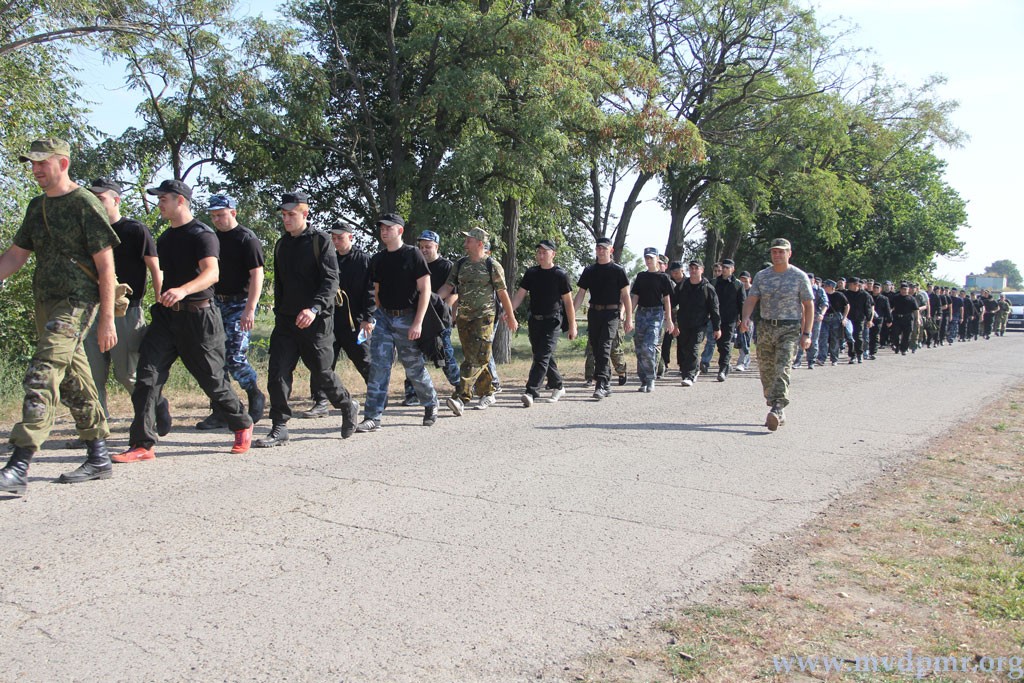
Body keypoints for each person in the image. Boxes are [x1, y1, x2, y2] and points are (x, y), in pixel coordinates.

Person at [0, 139, 120, 495]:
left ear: (63, 163)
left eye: (42, 163)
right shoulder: (37, 206)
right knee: (72, 379)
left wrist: (107, 318)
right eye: (32, 164)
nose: (35, 169)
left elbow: (106, 266)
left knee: (43, 372)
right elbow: (15, 256)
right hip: (46, 302)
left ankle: (19, 463)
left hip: (77, 302)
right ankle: (98, 454)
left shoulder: (84, 203)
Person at [113, 179, 253, 463]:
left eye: (163, 199)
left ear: (180, 200)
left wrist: (182, 290)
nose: (159, 204)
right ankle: (142, 444)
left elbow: (212, 274)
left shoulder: (203, 235)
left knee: (213, 381)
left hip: (199, 317)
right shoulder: (165, 238)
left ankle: (241, 423)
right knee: (147, 377)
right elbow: (161, 274)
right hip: (167, 318)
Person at [253, 191, 359, 447]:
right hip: (286, 322)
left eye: (291, 214)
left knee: (322, 373)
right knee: (277, 373)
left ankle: (347, 404)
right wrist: (280, 313)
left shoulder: (320, 241)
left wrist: (313, 309)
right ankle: (279, 426)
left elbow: (331, 281)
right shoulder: (281, 244)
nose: (286, 219)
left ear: (305, 213)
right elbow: (280, 285)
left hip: (316, 321)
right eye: (283, 215)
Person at [81, 178, 162, 422]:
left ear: (116, 200)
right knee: (92, 375)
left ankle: (154, 412)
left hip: (125, 312)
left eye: (100, 198)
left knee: (128, 374)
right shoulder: (87, 231)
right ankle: (98, 428)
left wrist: (161, 306)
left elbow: (155, 269)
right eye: (92, 198)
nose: (95, 203)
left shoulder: (135, 230)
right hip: (92, 310)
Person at [356, 213, 438, 432]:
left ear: (400, 230)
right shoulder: (377, 259)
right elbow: (375, 291)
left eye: (388, 228)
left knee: (413, 368)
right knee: (378, 367)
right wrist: (373, 316)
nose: (384, 231)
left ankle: (430, 403)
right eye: (382, 228)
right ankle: (372, 417)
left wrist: (417, 322)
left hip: (407, 317)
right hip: (384, 318)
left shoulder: (413, 254)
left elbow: (425, 290)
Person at [195, 194, 267, 431]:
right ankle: (221, 410)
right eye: (213, 216)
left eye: (221, 215)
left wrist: (250, 309)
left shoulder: (247, 239)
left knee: (235, 356)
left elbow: (257, 275)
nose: (216, 219)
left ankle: (254, 393)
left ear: (233, 213)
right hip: (216, 303)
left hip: (240, 303)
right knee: (214, 358)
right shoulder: (211, 239)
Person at [437, 227, 518, 415]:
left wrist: (511, 317)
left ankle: (461, 398)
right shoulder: (460, 264)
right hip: (464, 318)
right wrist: (432, 300)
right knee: (475, 358)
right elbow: (448, 287)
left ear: (480, 243)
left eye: (469, 240)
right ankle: (488, 392)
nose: (465, 243)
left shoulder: (492, 265)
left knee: (477, 357)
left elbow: (502, 294)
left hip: (485, 317)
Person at [739, 238, 813, 432]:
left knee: (782, 367)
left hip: (789, 328)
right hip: (765, 328)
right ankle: (774, 405)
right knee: (766, 371)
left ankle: (778, 407)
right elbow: (752, 299)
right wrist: (745, 318)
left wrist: (806, 333)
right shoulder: (762, 276)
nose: (777, 255)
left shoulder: (799, 276)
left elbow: (808, 305)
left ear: (789, 253)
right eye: (774, 251)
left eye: (781, 251)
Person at [305, 222, 375, 417]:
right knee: (322, 362)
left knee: (364, 359)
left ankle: (377, 396)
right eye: (333, 238)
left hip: (356, 321)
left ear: (350, 237)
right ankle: (320, 402)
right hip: (330, 320)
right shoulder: (329, 258)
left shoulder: (363, 260)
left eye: (340, 237)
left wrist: (368, 317)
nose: (336, 241)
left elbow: (371, 291)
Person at [509, 240, 578, 406]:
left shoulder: (560, 275)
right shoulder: (531, 273)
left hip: (553, 321)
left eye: (544, 252)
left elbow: (568, 302)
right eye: (539, 252)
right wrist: (509, 311)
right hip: (535, 320)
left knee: (542, 356)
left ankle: (531, 392)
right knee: (543, 355)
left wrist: (573, 325)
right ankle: (558, 385)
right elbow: (520, 295)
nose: (541, 255)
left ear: (553, 254)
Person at [400, 230, 459, 406]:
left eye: (428, 246)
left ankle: (460, 388)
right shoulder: (415, 265)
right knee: (413, 355)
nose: (424, 250)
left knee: (444, 355)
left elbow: (454, 294)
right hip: (417, 317)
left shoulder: (446, 266)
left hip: (439, 319)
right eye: (421, 247)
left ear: (436, 247)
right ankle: (412, 393)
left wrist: (444, 312)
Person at [573, 237, 633, 399]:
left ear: (611, 250)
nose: (601, 251)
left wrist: (628, 317)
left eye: (604, 248)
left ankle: (600, 384)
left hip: (612, 314)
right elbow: (581, 294)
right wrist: (571, 314)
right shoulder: (589, 270)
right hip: (594, 313)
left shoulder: (618, 270)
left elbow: (626, 295)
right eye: (598, 248)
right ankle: (606, 383)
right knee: (596, 348)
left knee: (605, 346)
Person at [629, 248, 675, 392]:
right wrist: (629, 316)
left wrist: (669, 319)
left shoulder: (663, 278)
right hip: (641, 313)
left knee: (648, 347)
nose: (648, 260)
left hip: (656, 313)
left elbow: (667, 300)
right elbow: (635, 297)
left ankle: (650, 378)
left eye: (651, 258)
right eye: (647, 258)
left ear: (657, 259)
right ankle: (643, 380)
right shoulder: (641, 276)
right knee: (639, 347)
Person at [673, 260, 720, 387]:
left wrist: (717, 328)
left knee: (693, 347)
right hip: (683, 323)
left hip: (700, 324)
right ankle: (691, 371)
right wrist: (672, 322)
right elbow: (672, 302)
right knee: (684, 348)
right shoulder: (682, 286)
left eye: (696, 268)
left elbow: (714, 309)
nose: (693, 271)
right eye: (691, 268)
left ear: (702, 270)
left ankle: (689, 375)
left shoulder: (708, 288)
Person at [711, 258, 746, 380]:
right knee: (720, 344)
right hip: (716, 318)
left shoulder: (738, 284)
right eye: (723, 267)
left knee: (726, 343)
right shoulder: (714, 282)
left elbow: (742, 303)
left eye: (727, 268)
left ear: (732, 269)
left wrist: (742, 318)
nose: (725, 270)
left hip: (730, 318)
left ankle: (722, 369)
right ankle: (726, 364)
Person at [658, 261, 685, 377]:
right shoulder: (668, 281)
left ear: (682, 270)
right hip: (669, 316)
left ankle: (683, 365)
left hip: (683, 316)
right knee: (665, 341)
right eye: (673, 272)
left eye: (677, 272)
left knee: (682, 342)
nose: (674, 274)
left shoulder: (688, 283)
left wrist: (677, 323)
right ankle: (664, 365)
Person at [816, 279, 848, 366]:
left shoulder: (839, 295)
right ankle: (821, 358)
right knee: (823, 338)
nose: (824, 287)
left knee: (835, 339)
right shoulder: (822, 295)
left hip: (835, 318)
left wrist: (844, 318)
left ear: (832, 287)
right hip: (824, 318)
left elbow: (847, 306)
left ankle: (834, 359)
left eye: (826, 286)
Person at [844, 278, 873, 364]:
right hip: (849, 319)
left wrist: (869, 320)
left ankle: (859, 354)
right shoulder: (846, 294)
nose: (849, 286)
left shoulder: (865, 295)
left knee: (858, 337)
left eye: (850, 284)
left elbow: (868, 308)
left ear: (856, 285)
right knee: (850, 337)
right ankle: (852, 356)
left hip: (860, 319)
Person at [890, 282, 918, 355]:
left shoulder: (912, 299)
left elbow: (916, 309)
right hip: (897, 318)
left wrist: (917, 319)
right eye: (902, 289)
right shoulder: (895, 297)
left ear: (908, 290)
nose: (904, 291)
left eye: (905, 289)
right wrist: (889, 316)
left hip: (907, 319)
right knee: (895, 333)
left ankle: (904, 349)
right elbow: (890, 307)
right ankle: (896, 345)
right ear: (900, 289)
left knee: (907, 335)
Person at [734, 271, 753, 371]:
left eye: (746, 280)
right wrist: (738, 318)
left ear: (750, 279)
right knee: (741, 341)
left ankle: (743, 362)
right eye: (742, 280)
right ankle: (743, 362)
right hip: (740, 319)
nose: (744, 283)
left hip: (751, 319)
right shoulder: (737, 290)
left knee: (746, 341)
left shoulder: (753, 291)